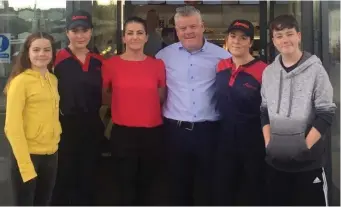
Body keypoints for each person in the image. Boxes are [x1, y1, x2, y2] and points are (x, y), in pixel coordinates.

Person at [155, 5, 231, 205]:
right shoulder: (163, 57)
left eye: (192, 26)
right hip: (175, 132)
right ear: (176, 30)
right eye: (182, 28)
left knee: (208, 187)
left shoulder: (223, 57)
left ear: (202, 26)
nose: (188, 32)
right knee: (177, 187)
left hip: (209, 132)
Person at [261, 14, 336, 206]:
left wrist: (304, 147)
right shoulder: (268, 72)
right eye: (279, 36)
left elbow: (326, 113)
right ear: (273, 40)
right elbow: (264, 110)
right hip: (275, 165)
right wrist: (269, 142)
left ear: (299, 36)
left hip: (308, 166)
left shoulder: (316, 71)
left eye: (289, 34)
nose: (285, 40)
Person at [102, 16, 166, 205]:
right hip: (123, 134)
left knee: (149, 187)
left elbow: (161, 97)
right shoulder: (111, 65)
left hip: (152, 134)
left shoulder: (157, 65)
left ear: (147, 37)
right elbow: (106, 97)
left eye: (139, 33)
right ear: (123, 38)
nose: (134, 37)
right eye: (130, 33)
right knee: (124, 188)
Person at [51, 10, 105, 205]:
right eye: (75, 31)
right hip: (64, 126)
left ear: (91, 32)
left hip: (92, 125)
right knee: (64, 177)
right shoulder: (56, 60)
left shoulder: (99, 60)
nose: (80, 35)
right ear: (67, 33)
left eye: (84, 30)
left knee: (90, 176)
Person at [212, 20, 267, 206]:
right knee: (224, 191)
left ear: (251, 43)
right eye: (233, 36)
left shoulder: (263, 71)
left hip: (253, 143)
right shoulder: (221, 66)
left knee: (252, 192)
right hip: (224, 140)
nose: (237, 41)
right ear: (227, 39)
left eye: (243, 38)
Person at [4, 32, 60, 206]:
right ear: (28, 53)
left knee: (43, 202)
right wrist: (25, 165)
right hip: (28, 155)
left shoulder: (53, 79)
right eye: (36, 50)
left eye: (46, 50)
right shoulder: (20, 82)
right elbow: (12, 127)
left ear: (52, 53)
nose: (41, 54)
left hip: (51, 154)